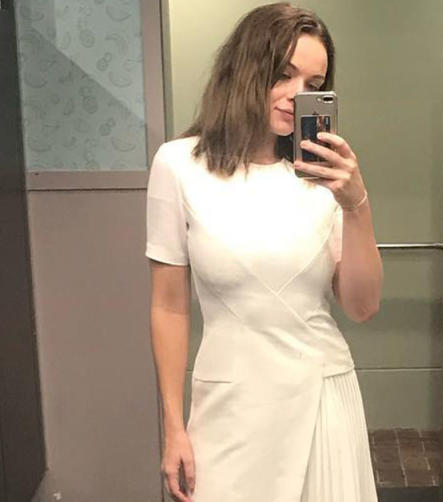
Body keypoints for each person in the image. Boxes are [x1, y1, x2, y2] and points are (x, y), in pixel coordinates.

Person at [146, 4, 382, 501]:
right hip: (229, 407)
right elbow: (169, 305)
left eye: (314, 82)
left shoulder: (325, 176)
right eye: (283, 74)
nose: (298, 95)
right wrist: (173, 428)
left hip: (321, 398)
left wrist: (357, 205)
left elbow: (361, 307)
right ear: (245, 70)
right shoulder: (178, 165)